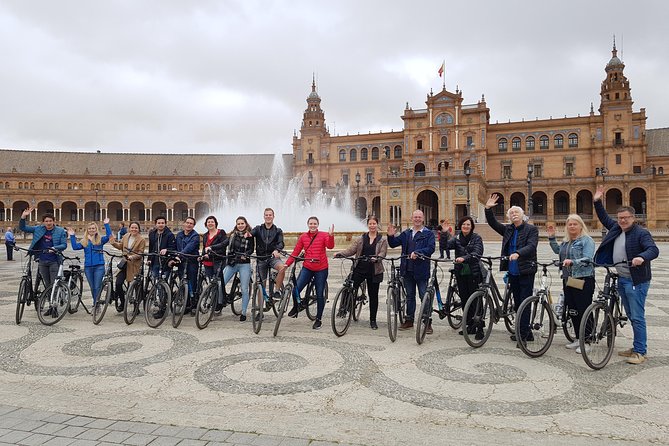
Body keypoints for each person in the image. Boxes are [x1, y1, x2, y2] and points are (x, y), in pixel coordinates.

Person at [593, 185, 659, 364]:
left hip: (637, 280)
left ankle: (640, 351)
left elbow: (653, 250)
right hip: (622, 278)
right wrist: (597, 200)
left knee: (637, 316)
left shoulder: (641, 233)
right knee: (630, 314)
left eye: (625, 218)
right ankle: (637, 346)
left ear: (633, 218)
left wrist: (641, 257)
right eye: (620, 218)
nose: (622, 221)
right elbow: (603, 217)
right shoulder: (616, 228)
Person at [484, 194, 538, 346]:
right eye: (511, 213)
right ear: (509, 217)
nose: (514, 214)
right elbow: (493, 223)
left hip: (526, 270)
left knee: (524, 303)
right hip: (513, 272)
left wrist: (518, 253)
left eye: (516, 212)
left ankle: (522, 335)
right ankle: (526, 332)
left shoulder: (531, 229)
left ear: (522, 215)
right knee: (517, 303)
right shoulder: (508, 229)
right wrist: (488, 209)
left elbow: (532, 246)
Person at [547, 215, 595, 353]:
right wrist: (551, 238)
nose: (572, 226)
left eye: (575, 224)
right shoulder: (567, 241)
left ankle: (587, 340)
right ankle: (578, 338)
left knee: (583, 308)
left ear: (581, 226)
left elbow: (588, 258)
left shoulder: (587, 240)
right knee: (572, 309)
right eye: (570, 224)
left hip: (582, 278)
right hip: (568, 278)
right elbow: (558, 251)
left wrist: (574, 262)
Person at [335, 216, 388, 330]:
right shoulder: (361, 238)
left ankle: (373, 320)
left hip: (374, 270)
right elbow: (351, 250)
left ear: (377, 225)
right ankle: (345, 307)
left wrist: (377, 258)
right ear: (367, 225)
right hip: (360, 268)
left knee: (373, 296)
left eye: (374, 223)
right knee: (349, 286)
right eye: (370, 223)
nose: (372, 226)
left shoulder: (382, 240)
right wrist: (341, 254)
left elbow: (383, 253)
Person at [387, 210, 435, 332]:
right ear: (411, 218)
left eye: (419, 217)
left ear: (423, 219)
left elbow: (431, 248)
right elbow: (393, 244)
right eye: (415, 217)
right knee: (410, 296)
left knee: (424, 296)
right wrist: (390, 236)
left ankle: (427, 321)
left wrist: (418, 253)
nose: (417, 219)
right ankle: (409, 320)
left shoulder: (428, 234)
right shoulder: (406, 233)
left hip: (421, 269)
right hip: (407, 269)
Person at [285, 216, 335, 330]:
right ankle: (297, 306)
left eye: (315, 223)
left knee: (319, 294)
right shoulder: (303, 236)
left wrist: (331, 236)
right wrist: (287, 264)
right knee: (295, 289)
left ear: (318, 224)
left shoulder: (323, 235)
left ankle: (318, 319)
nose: (313, 225)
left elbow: (330, 246)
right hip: (307, 267)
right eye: (311, 223)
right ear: (308, 224)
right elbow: (296, 251)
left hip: (321, 268)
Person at [446, 216, 484, 337]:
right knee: (464, 299)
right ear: (460, 226)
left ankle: (480, 328)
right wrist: (445, 232)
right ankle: (469, 324)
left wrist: (464, 258)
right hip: (461, 272)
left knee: (475, 299)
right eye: (463, 224)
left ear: (472, 226)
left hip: (473, 272)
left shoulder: (477, 238)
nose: (466, 226)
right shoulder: (457, 238)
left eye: (468, 224)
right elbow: (446, 246)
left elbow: (477, 253)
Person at [19, 208, 67, 290]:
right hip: (42, 260)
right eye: (46, 221)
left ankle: (54, 300)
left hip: (54, 260)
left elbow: (64, 245)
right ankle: (49, 299)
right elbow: (23, 228)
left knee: (54, 283)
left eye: (50, 221)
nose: (48, 223)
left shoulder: (60, 231)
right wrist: (23, 217)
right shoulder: (38, 229)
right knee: (46, 283)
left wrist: (54, 248)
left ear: (53, 221)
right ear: (43, 222)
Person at [68, 218, 113, 305]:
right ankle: (96, 302)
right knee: (92, 287)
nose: (91, 230)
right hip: (88, 267)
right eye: (90, 228)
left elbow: (109, 236)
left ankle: (95, 304)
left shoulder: (100, 240)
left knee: (97, 286)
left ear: (96, 230)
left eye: (93, 228)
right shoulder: (84, 241)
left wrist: (106, 225)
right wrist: (72, 236)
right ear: (87, 230)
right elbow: (75, 247)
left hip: (99, 266)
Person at [221, 217, 254, 322]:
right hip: (232, 262)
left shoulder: (249, 235)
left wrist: (246, 254)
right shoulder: (232, 235)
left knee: (244, 289)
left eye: (242, 223)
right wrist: (212, 248)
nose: (240, 225)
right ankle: (221, 301)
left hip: (244, 264)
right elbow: (223, 244)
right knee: (220, 283)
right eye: (238, 223)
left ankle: (243, 312)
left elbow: (251, 249)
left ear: (246, 224)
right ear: (236, 225)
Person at [248, 208, 286, 296]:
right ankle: (259, 307)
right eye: (266, 215)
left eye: (270, 215)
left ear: (273, 216)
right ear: (264, 216)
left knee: (282, 268)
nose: (268, 216)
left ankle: (277, 291)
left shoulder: (278, 230)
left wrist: (277, 250)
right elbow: (251, 234)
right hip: (261, 259)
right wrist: (247, 234)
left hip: (272, 258)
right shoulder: (258, 229)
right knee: (261, 286)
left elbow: (281, 243)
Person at [110, 221, 146, 310]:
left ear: (138, 229)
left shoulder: (141, 239)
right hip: (124, 264)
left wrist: (132, 257)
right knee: (118, 283)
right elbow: (120, 246)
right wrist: (113, 243)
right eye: (132, 228)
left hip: (134, 266)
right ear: (129, 228)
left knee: (135, 286)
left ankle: (136, 307)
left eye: (136, 228)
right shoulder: (126, 236)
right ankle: (122, 303)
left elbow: (140, 253)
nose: (134, 229)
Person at [174, 217, 200, 315]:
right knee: (183, 283)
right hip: (181, 262)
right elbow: (176, 247)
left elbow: (189, 247)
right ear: (184, 224)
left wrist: (179, 255)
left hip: (191, 262)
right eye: (187, 223)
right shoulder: (179, 235)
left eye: (191, 223)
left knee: (192, 284)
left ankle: (194, 305)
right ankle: (186, 304)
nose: (189, 225)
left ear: (193, 226)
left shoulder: (195, 236)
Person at [202, 215, 228, 280]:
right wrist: (203, 255)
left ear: (215, 223)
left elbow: (223, 247)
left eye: (212, 222)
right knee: (210, 282)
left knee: (218, 281)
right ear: (206, 224)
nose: (210, 223)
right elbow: (204, 248)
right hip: (207, 262)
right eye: (208, 222)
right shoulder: (205, 235)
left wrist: (210, 254)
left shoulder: (221, 232)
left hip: (218, 261)